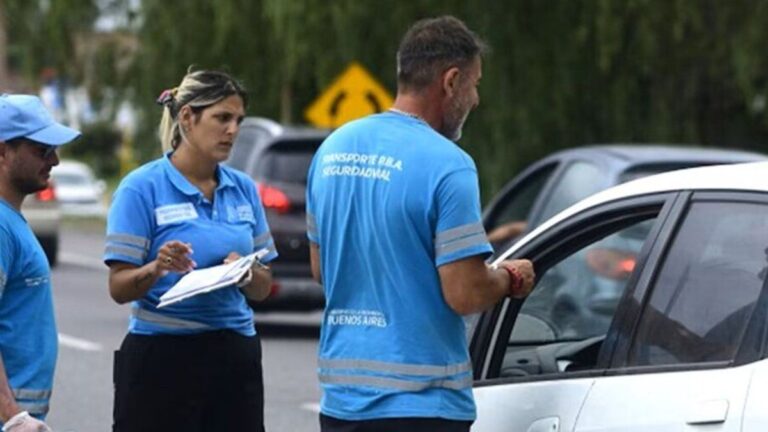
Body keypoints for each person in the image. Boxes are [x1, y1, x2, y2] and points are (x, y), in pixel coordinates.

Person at [306, 15, 536, 432]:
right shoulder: (449, 166)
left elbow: (322, 269)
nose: (476, 100)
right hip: (422, 406)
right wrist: (509, 278)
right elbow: (465, 293)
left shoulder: (332, 150)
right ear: (451, 82)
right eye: (475, 84)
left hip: (340, 403)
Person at [103, 70, 277, 432]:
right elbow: (119, 287)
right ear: (187, 118)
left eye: (238, 120)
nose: (233, 130)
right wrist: (157, 267)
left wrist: (247, 273)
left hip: (235, 355)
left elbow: (263, 288)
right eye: (222, 118)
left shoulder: (243, 189)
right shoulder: (141, 188)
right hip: (162, 357)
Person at [0, 94, 81, 431]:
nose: (55, 160)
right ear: (3, 151)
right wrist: (12, 415)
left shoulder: (11, 220)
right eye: (41, 150)